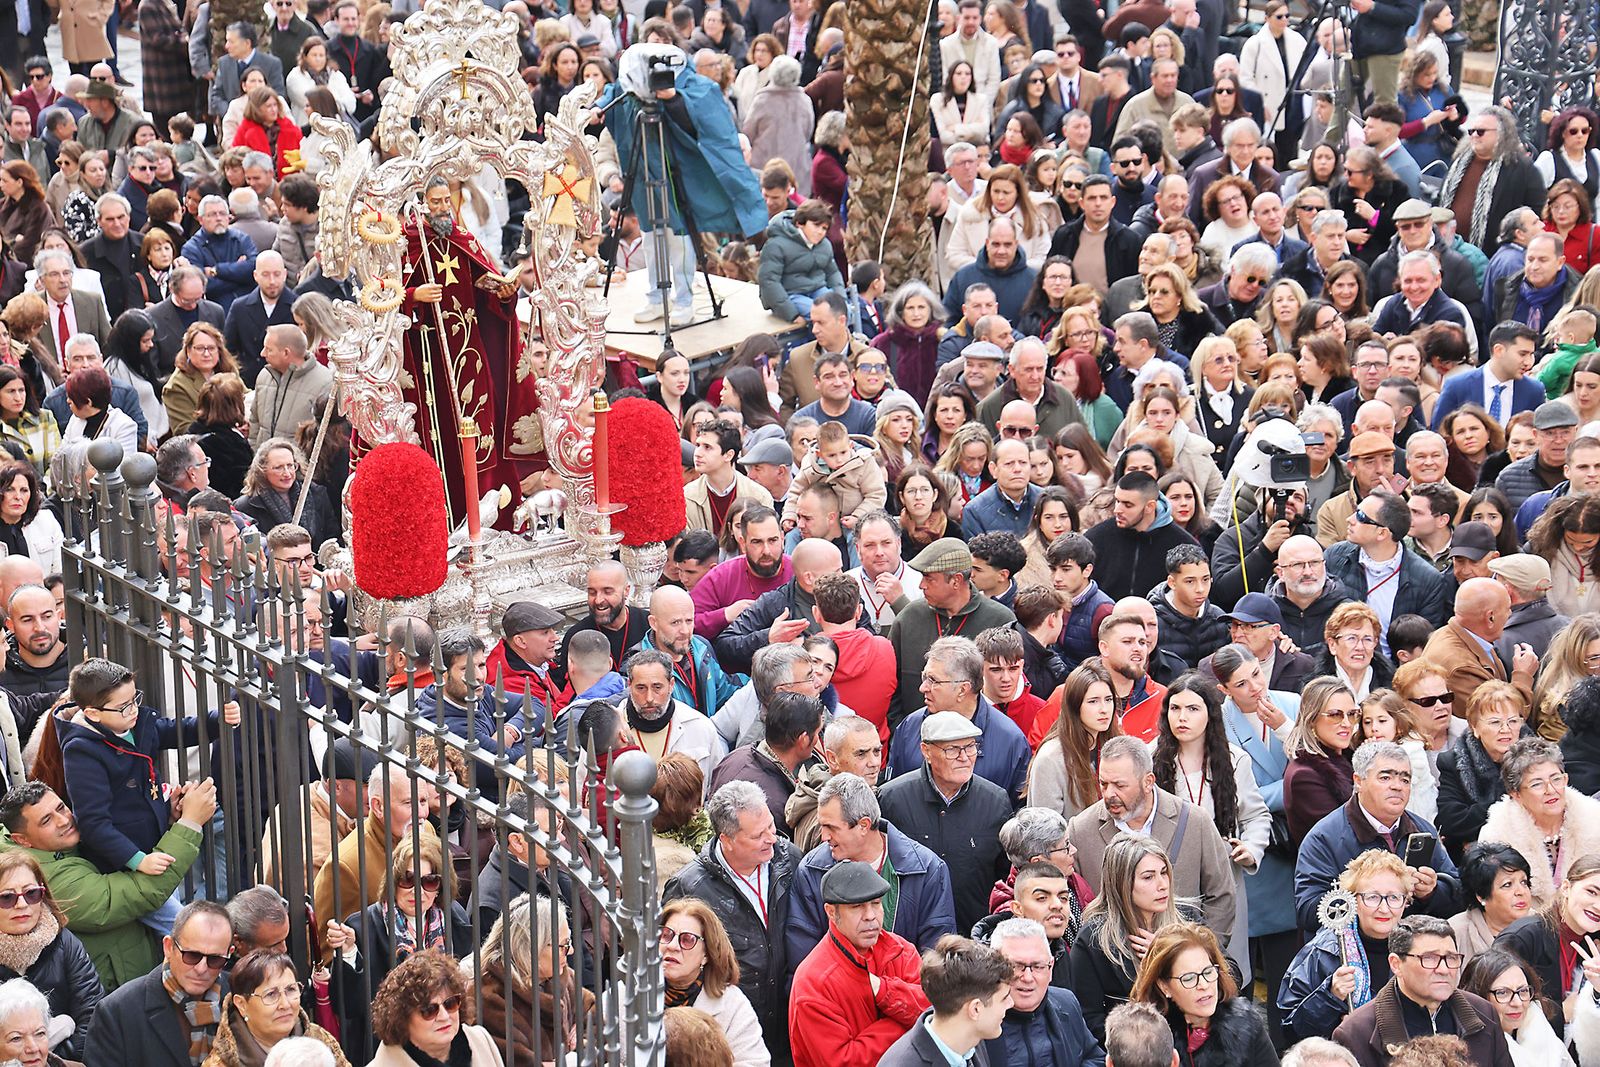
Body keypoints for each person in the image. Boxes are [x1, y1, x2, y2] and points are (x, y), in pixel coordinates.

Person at [0, 779, 214, 990]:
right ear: (22, 840)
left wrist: (166, 818)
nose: (64, 820)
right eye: (46, 820)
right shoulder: (42, 876)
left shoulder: (62, 845)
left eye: (61, 808)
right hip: (112, 997)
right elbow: (140, 891)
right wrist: (189, 824)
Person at [663, 780, 803, 1055]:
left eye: (771, 827)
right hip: (731, 1032)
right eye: (758, 835)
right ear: (726, 840)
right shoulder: (689, 887)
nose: (771, 839)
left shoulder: (789, 861)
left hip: (789, 1022)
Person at [1067, 734, 1237, 943]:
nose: (1109, 794)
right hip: (1113, 967)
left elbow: (1221, 896)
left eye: (1119, 785)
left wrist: (1199, 953)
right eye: (1103, 784)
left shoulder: (1195, 821)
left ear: (1148, 782)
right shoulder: (1080, 829)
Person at [1294, 740, 1461, 935]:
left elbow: (1458, 893)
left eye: (1405, 780)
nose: (1397, 786)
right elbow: (1307, 910)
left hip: (1411, 951)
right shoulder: (1324, 837)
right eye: (1385, 778)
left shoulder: (1422, 830)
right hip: (1349, 952)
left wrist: (1432, 892)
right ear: (1358, 781)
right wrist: (1366, 896)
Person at [879, 711, 1013, 932]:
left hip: (973, 936)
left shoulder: (996, 801)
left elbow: (1005, 876)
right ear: (926, 751)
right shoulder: (892, 799)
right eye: (952, 749)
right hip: (911, 936)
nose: (964, 757)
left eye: (970, 747)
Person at [787, 860, 931, 1067]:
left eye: (876, 904)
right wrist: (910, 1023)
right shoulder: (813, 982)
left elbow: (934, 1008)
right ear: (831, 912)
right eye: (857, 907)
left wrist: (885, 991)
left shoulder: (901, 950)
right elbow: (845, 1062)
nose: (870, 916)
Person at [1331, 915, 1514, 1067]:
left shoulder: (1483, 1012)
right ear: (1396, 964)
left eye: (1451, 958)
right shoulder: (1356, 1032)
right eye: (1429, 958)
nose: (1444, 969)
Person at [1279, 849, 1411, 1041]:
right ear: (1353, 900)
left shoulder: (1416, 948)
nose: (1384, 908)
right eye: (1372, 897)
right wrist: (1329, 997)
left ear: (1406, 901)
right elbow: (1290, 1029)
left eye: (1394, 897)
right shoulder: (1325, 951)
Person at [83, 900, 234, 1067]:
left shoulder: (240, 998)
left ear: (229, 954)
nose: (201, 968)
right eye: (192, 956)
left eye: (215, 959)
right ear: (168, 947)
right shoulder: (117, 1011)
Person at [1128, 922, 1276, 1067]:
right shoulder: (1147, 1038)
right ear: (1164, 986)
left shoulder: (1246, 1022)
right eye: (1189, 978)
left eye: (1208, 972)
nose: (1204, 985)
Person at [659, 898, 769, 1067]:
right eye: (666, 935)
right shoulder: (624, 993)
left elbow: (756, 1063)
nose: (672, 946)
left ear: (706, 954)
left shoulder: (732, 1004)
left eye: (687, 939)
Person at [982, 915, 1104, 1066]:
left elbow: (1095, 1058)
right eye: (1015, 966)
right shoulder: (976, 1019)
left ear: (1051, 967)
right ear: (993, 967)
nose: (1027, 977)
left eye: (1038, 966)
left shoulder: (1066, 1003)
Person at [201, 950, 344, 1067]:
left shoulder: (319, 1039)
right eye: (270, 994)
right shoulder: (219, 1064)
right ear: (242, 1004)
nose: (285, 1004)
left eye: (291, 990)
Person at [1435, 682, 1527, 862]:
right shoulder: (1455, 762)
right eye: (1495, 722)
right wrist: (1509, 799)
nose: (1506, 730)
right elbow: (1450, 822)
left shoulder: (1538, 760)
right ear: (1475, 727)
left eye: (1513, 721)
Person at [364, 949, 502, 1067]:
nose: (444, 1016)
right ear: (402, 1019)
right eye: (429, 1010)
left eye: (450, 1003)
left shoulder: (481, 1040)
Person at [1459, 946, 1578, 1067]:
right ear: (1477, 997)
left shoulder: (1542, 1029)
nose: (1517, 1003)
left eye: (1523, 991)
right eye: (1502, 993)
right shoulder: (1468, 1050)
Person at [1283, 677, 1360, 843]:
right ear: (1311, 720)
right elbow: (1342, 838)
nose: (1347, 723)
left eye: (1352, 714)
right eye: (1335, 715)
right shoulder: (1304, 775)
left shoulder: (1352, 759)